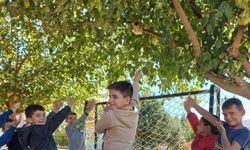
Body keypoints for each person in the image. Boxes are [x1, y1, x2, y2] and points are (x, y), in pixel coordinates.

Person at [95, 71, 142, 150]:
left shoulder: (111, 114)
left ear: (127, 100)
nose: (110, 100)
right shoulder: (135, 110)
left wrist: (105, 113)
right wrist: (136, 82)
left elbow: (98, 128)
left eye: (115, 97)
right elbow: (135, 98)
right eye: (110, 96)